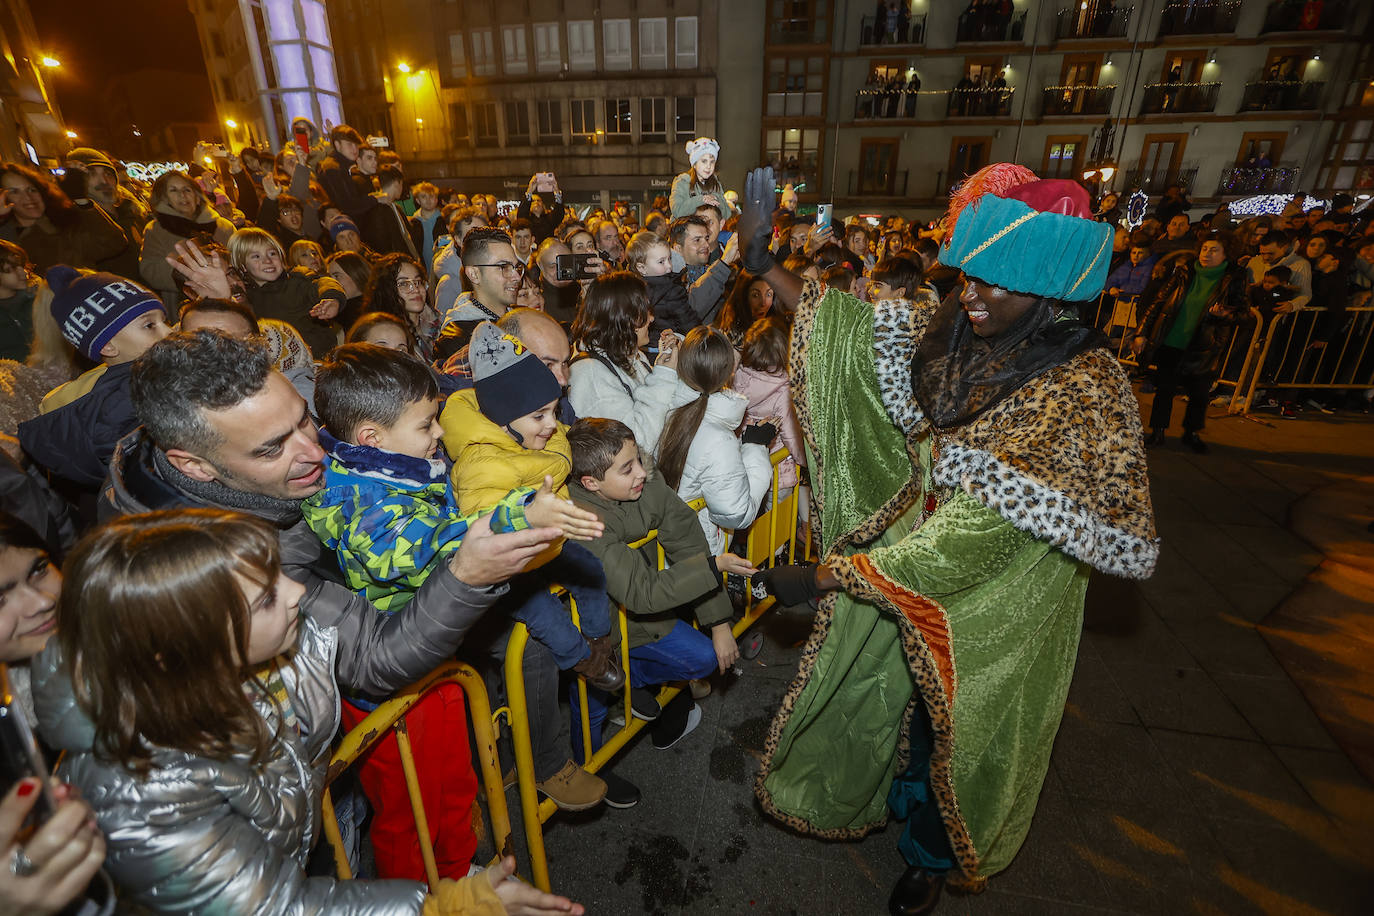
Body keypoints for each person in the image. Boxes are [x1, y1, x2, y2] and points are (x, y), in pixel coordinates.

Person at [735, 163, 1156, 913]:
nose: (974, 296)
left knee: (960, 724)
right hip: (911, 553)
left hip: (994, 598)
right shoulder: (961, 328)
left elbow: (974, 542)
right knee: (897, 687)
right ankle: (895, 790)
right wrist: (765, 263)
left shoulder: (1081, 389)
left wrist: (824, 578)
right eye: (970, 277)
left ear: (1049, 290)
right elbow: (855, 342)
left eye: (996, 284)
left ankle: (931, 852)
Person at [34, 508, 583, 915]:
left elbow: (380, 653)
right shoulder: (140, 790)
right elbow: (277, 908)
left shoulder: (283, 650)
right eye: (265, 598)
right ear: (187, 648)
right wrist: (449, 907)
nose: (297, 590)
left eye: (278, 570)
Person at [301, 343, 602, 875]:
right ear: (371, 437)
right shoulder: (362, 500)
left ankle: (457, 870)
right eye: (425, 425)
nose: (439, 434)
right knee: (411, 813)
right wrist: (517, 516)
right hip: (392, 690)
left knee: (453, 783)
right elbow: (426, 545)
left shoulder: (390, 469)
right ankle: (425, 895)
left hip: (431, 658)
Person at [439, 324, 622, 687]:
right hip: (509, 566)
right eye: (540, 416)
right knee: (544, 613)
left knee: (591, 571)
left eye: (554, 412)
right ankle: (583, 659)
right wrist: (525, 512)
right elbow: (486, 529)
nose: (552, 425)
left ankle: (600, 641)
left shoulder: (527, 435)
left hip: (546, 545)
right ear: (501, 419)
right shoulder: (480, 463)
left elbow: (557, 442)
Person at [568, 418, 756, 760]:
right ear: (590, 482)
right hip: (595, 638)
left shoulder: (645, 485)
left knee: (704, 658)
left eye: (638, 458)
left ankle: (628, 681)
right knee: (589, 712)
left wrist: (718, 622)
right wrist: (714, 568)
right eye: (628, 468)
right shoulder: (582, 520)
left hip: (642, 622)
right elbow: (643, 592)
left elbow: (687, 540)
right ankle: (591, 774)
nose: (641, 471)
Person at [17, 268, 170, 493]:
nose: (169, 332)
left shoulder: (141, 382)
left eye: (164, 320)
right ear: (108, 345)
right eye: (149, 325)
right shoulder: (127, 403)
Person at [656, 327, 774, 555]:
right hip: (700, 557)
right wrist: (755, 448)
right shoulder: (718, 438)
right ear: (729, 372)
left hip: (670, 548)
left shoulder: (666, 404)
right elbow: (737, 513)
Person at [1132, 232, 1249, 453]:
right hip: (1172, 339)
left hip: (1204, 344)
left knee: (1199, 392)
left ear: (1226, 254)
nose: (1207, 254)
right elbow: (1158, 302)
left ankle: (1191, 432)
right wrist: (1141, 332)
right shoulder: (1185, 271)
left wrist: (1224, 314)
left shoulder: (1233, 277)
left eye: (1214, 250)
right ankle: (1157, 431)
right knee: (1164, 388)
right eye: (1205, 249)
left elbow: (1244, 314)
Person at [568, 271, 687, 452]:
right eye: (643, 312)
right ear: (623, 318)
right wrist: (663, 376)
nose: (651, 318)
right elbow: (637, 444)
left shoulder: (629, 355)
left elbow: (660, 410)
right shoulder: (590, 374)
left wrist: (672, 361)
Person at [229, 227, 345, 358]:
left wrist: (331, 299)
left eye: (272, 254)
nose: (267, 260)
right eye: (256, 256)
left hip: (319, 360)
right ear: (243, 266)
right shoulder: (246, 297)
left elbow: (322, 282)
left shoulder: (296, 280)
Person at [0, 162, 128, 277]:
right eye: (14, 192)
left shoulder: (64, 225)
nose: (28, 197)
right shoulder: (9, 238)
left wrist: (81, 201)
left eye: (32, 189)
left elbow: (115, 243)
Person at [139, 169, 236, 309]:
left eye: (187, 190)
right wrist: (187, 272)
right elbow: (149, 269)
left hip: (231, 300)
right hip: (184, 305)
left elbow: (241, 260)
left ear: (197, 197)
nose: (182, 195)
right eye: (174, 190)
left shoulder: (224, 227)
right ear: (164, 198)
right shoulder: (156, 230)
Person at [733, 316, 804, 493]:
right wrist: (806, 461)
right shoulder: (783, 391)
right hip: (777, 473)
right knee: (778, 520)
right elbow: (791, 435)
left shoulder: (738, 376)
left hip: (745, 465)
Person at [435, 227, 520, 358]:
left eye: (516, 267)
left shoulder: (520, 316)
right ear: (474, 274)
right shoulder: (458, 341)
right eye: (504, 267)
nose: (517, 277)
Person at [63, 147, 147, 280]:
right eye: (91, 174)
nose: (104, 181)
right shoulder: (78, 226)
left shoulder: (133, 214)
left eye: (108, 173)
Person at [363, 253, 441, 362]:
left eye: (418, 282)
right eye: (404, 284)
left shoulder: (439, 323)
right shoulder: (385, 338)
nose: (415, 289)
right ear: (387, 290)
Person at [670, 137, 738, 220]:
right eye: (704, 161)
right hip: (684, 231)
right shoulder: (682, 181)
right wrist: (702, 199)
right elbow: (677, 210)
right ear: (694, 164)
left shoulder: (716, 184)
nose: (708, 166)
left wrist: (716, 198)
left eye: (712, 162)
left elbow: (726, 214)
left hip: (709, 231)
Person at [714, 272, 775, 346]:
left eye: (769, 294)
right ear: (744, 296)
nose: (763, 303)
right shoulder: (729, 332)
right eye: (755, 295)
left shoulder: (776, 327)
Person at [327, 249, 373, 331]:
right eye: (330, 278)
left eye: (337, 276)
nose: (332, 282)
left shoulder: (378, 308)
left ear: (355, 274)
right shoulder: (335, 315)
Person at [517, 174, 567, 243]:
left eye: (539, 200)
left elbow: (559, 212)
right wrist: (530, 190)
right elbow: (522, 213)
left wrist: (556, 190)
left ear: (543, 205)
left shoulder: (549, 218)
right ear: (529, 205)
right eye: (533, 201)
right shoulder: (526, 220)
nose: (536, 202)